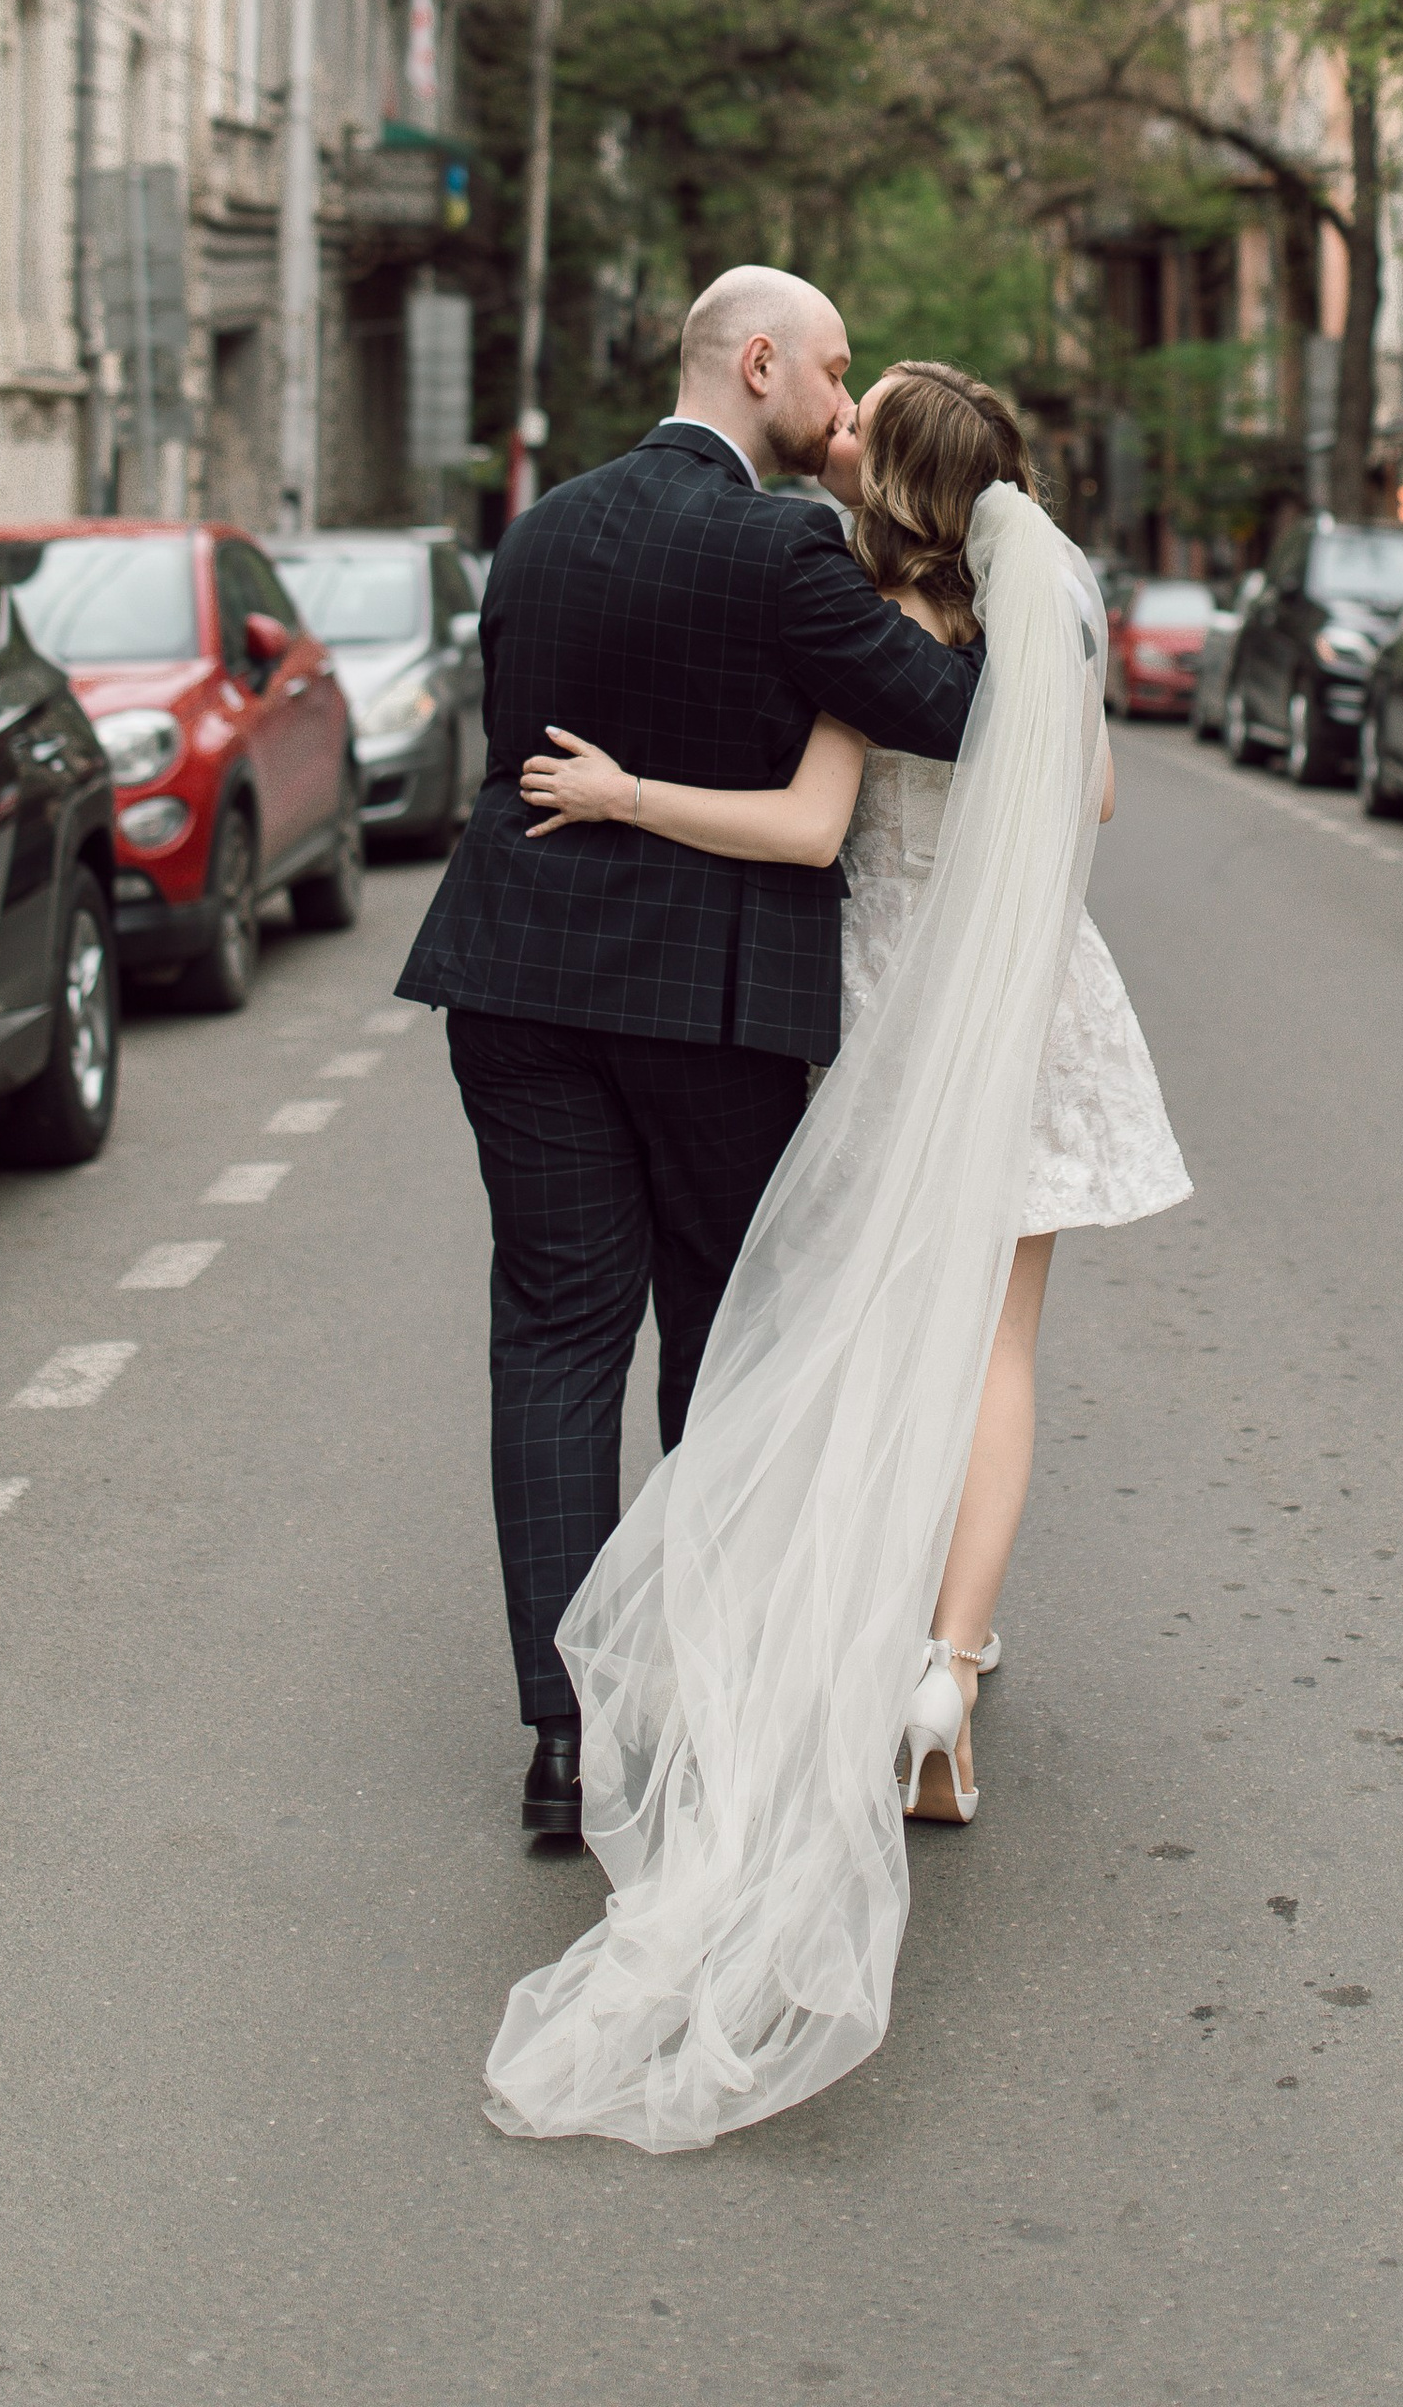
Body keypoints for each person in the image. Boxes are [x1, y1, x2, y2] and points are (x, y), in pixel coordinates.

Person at [481, 363, 1185, 2152]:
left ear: (899, 479)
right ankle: (945, 1674)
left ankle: (769, 1658)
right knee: (1000, 1350)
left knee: (850, 1336)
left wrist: (629, 794)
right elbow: (1095, 800)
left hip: (884, 1012)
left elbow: (807, 829)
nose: (842, 425)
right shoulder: (1043, 619)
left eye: (868, 418)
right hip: (1023, 1004)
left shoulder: (872, 620)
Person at [397, 268, 983, 1839]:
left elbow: (513, 736)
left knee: (552, 1340)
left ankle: (562, 1743)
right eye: (837, 372)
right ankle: (709, 1694)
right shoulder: (783, 548)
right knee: (725, 1345)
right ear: (762, 362)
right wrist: (976, 556)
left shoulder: (539, 532)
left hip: (516, 983)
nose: (844, 405)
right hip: (707, 1006)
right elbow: (950, 710)